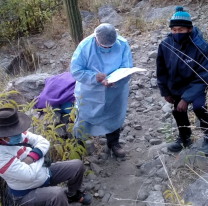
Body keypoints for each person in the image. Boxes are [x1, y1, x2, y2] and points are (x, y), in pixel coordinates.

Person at [0, 108, 92, 206]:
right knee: (57, 194)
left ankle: (72, 195)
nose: (21, 133)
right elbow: (29, 174)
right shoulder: (1, 157)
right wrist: (40, 155)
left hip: (43, 174)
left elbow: (43, 142)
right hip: (25, 192)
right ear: (3, 136)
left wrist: (31, 157)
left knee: (77, 166)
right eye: (15, 131)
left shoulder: (17, 135)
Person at [70, 23, 133, 157]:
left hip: (115, 90)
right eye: (104, 46)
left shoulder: (122, 44)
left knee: (114, 115)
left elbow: (126, 68)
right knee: (83, 115)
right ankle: (79, 145)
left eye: (110, 46)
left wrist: (115, 81)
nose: (107, 49)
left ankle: (114, 143)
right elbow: (76, 71)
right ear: (96, 39)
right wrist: (94, 77)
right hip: (90, 91)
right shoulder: (84, 47)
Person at [157, 6, 208, 153]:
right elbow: (161, 70)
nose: (177, 33)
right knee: (178, 111)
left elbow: (204, 75)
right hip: (176, 85)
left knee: (199, 107)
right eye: (174, 30)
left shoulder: (201, 47)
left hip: (196, 86)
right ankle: (185, 137)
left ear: (189, 29)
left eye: (181, 30)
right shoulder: (166, 45)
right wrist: (165, 91)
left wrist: (186, 98)